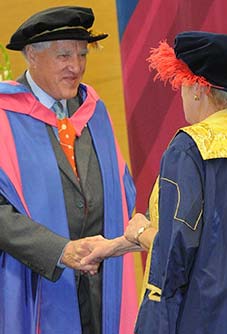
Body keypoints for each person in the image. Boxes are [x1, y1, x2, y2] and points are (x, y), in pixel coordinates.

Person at [80, 31, 227, 333]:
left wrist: (142, 230)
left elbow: (176, 254)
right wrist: (118, 244)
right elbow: (224, 235)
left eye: (182, 84)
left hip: (205, 316)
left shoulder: (189, 149)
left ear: (199, 89)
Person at [0, 6, 139, 334]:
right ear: (31, 55)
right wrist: (59, 250)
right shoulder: (5, 117)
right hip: (32, 284)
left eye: (82, 55)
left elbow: (122, 187)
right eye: (63, 56)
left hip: (99, 285)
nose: (75, 67)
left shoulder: (93, 110)